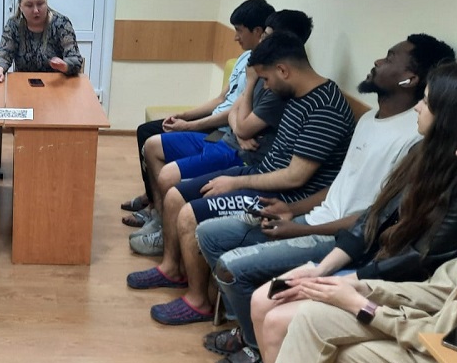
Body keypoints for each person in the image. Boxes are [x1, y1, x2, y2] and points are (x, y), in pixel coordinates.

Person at [187, 102, 457, 363]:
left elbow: (447, 326)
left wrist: (363, 303)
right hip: (401, 306)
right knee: (298, 317)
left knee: (302, 346)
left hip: (447, 360)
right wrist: (353, 286)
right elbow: (438, 284)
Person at [218, 60, 457, 363]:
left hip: (394, 284)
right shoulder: (420, 153)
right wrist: (321, 271)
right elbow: (371, 219)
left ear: (450, 113)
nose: (418, 108)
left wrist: (350, 283)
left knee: (282, 317)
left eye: (426, 101)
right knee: (264, 297)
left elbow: (418, 262)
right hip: (367, 269)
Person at [132, 32, 355, 326]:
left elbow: (295, 177)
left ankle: (198, 301)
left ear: (283, 70)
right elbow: (239, 114)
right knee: (175, 195)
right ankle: (173, 269)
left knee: (188, 215)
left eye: (266, 79)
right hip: (257, 174)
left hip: (280, 197)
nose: (266, 86)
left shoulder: (325, 108)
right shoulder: (296, 95)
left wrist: (234, 183)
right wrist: (240, 158)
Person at [130, 8, 308, 256]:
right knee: (151, 143)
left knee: (169, 176)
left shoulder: (274, 84)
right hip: (227, 137)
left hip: (237, 153)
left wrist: (242, 115)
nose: (263, 40)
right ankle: (160, 220)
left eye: (268, 36)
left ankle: (166, 236)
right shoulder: (254, 65)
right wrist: (201, 120)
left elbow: (242, 123)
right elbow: (232, 108)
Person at [121, 0, 276, 228]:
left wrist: (190, 125)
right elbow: (222, 100)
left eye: (239, 30)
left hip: (221, 132)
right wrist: (185, 115)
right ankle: (154, 203)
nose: (235, 37)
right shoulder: (246, 59)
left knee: (153, 137)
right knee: (149, 132)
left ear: (258, 31)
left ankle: (157, 208)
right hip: (221, 126)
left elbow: (235, 114)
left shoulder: (262, 74)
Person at [0, 0, 84, 84]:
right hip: (23, 85)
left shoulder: (61, 23)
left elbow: (75, 59)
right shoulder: (14, 24)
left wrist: (65, 65)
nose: (36, 10)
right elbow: (4, 54)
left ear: (46, 2)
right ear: (20, 6)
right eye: (29, 5)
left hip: (56, 84)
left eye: (40, 4)